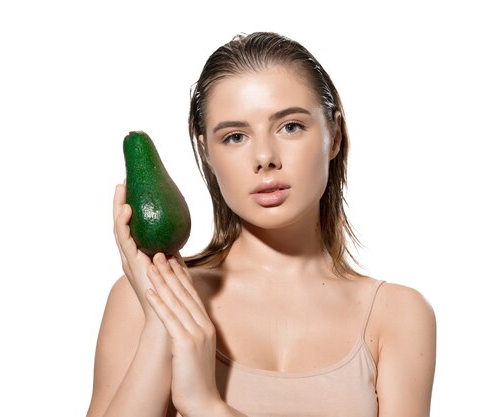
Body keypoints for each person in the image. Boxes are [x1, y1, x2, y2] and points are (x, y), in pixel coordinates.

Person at [86, 32, 436, 417]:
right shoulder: (143, 299)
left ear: (334, 134)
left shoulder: (397, 315)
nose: (265, 157)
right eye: (235, 136)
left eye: (290, 127)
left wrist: (205, 405)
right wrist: (160, 327)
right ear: (207, 153)